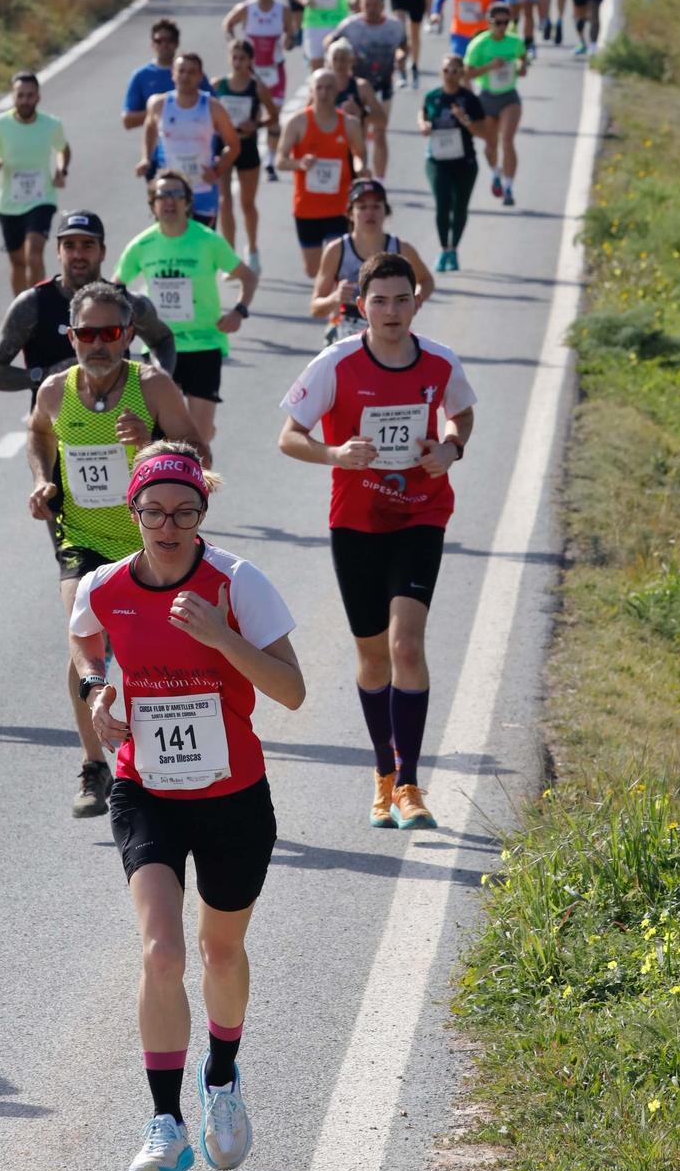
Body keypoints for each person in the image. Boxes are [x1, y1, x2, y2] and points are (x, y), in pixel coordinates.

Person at [70, 441, 303, 1171]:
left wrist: (220, 637)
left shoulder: (237, 583)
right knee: (162, 953)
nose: (168, 525)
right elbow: (86, 647)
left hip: (233, 794)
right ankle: (164, 1123)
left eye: (184, 511)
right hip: (146, 791)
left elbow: (292, 691)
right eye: (153, 512)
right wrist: (100, 691)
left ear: (204, 510)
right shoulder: (104, 587)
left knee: (220, 954)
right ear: (131, 512)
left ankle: (222, 1078)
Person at [278, 251, 475, 832]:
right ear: (360, 307)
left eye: (402, 299)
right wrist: (334, 454)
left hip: (420, 515)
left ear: (417, 301)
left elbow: (460, 413)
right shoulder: (335, 363)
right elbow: (288, 437)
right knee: (370, 657)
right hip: (356, 522)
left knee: (405, 646)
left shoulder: (439, 362)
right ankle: (383, 774)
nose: (392, 311)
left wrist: (450, 448)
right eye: (380, 301)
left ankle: (410, 781)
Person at [27, 285, 202, 819]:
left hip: (146, 542)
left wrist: (149, 441)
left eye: (108, 333)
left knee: (149, 651)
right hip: (80, 537)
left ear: (127, 335)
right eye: (86, 334)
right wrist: (42, 480)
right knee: (83, 632)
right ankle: (93, 764)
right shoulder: (57, 391)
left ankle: (162, 762)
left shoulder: (151, 386)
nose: (97, 344)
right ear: (72, 337)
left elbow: (200, 457)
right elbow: (37, 433)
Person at [116, 173, 258, 444]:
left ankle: (201, 475)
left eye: (176, 195)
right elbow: (115, 290)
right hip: (158, 345)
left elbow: (248, 276)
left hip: (204, 343)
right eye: (162, 195)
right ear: (153, 204)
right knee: (160, 436)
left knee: (198, 440)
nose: (169, 201)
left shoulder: (208, 240)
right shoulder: (141, 245)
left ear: (188, 203)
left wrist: (239, 311)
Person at [0, 211, 176, 402]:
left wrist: (157, 380)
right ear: (58, 251)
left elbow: (163, 340)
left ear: (103, 252)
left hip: (118, 425)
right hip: (53, 428)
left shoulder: (126, 302)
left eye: (87, 245)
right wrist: (44, 375)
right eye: (69, 246)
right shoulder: (33, 304)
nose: (78, 254)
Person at [0, 71, 70, 293]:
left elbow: (62, 149)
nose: (25, 100)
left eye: (30, 95)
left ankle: (40, 306)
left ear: (38, 97)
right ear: (12, 97)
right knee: (17, 262)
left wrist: (61, 169)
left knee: (33, 254)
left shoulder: (51, 124)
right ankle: (22, 311)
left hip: (42, 199)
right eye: (20, 95)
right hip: (9, 204)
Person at [310, 178, 436, 341]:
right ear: (350, 214)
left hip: (391, 326)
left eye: (376, 206)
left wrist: (415, 300)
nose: (370, 212)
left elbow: (426, 280)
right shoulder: (336, 250)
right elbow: (315, 308)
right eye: (362, 207)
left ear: (386, 211)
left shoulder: (401, 249)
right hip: (348, 327)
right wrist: (334, 298)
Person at [139, 50, 241, 230]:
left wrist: (218, 170)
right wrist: (146, 158)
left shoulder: (212, 107)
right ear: (173, 74)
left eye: (191, 72)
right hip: (169, 192)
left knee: (201, 247)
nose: (185, 76)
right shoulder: (158, 104)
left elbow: (233, 145)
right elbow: (149, 128)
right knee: (171, 243)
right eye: (181, 71)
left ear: (200, 76)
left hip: (202, 189)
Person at [276, 68, 358, 279]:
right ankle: (327, 299)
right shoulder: (298, 122)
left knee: (338, 265)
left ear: (337, 90)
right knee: (313, 271)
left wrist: (361, 168)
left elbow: (360, 156)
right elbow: (280, 161)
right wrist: (299, 163)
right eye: (319, 87)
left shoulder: (349, 123)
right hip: (307, 208)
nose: (324, 92)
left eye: (329, 87)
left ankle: (333, 308)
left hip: (339, 206)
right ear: (311, 90)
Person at [222, 0, 299, 182]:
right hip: (252, 70)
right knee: (250, 114)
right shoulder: (247, 8)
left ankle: (271, 161)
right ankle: (251, 149)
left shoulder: (282, 10)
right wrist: (234, 44)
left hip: (274, 69)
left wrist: (289, 41)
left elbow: (291, 34)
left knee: (275, 114)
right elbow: (228, 24)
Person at [212, 40, 277, 273]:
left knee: (247, 203)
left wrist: (256, 124)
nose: (238, 62)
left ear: (250, 61)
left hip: (247, 147)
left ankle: (252, 250)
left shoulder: (257, 87)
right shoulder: (218, 85)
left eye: (243, 58)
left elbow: (274, 116)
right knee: (224, 202)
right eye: (234, 57)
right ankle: (230, 258)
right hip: (225, 147)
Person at [419, 56, 487, 271]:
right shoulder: (433, 97)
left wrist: (464, 120)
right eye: (447, 70)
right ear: (441, 72)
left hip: (464, 161)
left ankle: (454, 249)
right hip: (437, 161)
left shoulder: (469, 99)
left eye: (456, 71)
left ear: (462, 74)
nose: (451, 75)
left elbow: (484, 133)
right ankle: (443, 249)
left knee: (459, 207)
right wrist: (423, 125)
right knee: (442, 204)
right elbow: (422, 114)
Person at [333, 0, 407, 174]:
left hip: (383, 86)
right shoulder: (350, 25)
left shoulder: (394, 26)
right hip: (357, 88)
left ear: (383, 5)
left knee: (381, 132)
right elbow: (330, 42)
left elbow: (404, 46)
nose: (372, 8)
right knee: (360, 133)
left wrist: (401, 56)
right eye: (368, 4)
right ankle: (361, 173)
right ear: (360, 5)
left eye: (376, 5)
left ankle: (380, 180)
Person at [464, 1, 528, 208]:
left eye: (505, 22)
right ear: (489, 22)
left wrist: (521, 66)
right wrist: (490, 66)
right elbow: (467, 73)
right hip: (487, 97)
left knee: (508, 140)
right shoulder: (479, 44)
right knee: (491, 144)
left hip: (509, 97)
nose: (501, 27)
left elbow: (522, 58)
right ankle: (496, 173)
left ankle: (509, 187)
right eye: (497, 22)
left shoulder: (514, 41)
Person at [122, 18, 182, 132]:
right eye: (159, 40)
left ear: (177, 43)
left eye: (169, 40)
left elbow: (213, 108)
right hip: (155, 146)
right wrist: (159, 110)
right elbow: (127, 120)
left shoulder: (190, 71)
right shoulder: (141, 76)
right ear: (152, 44)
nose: (164, 44)